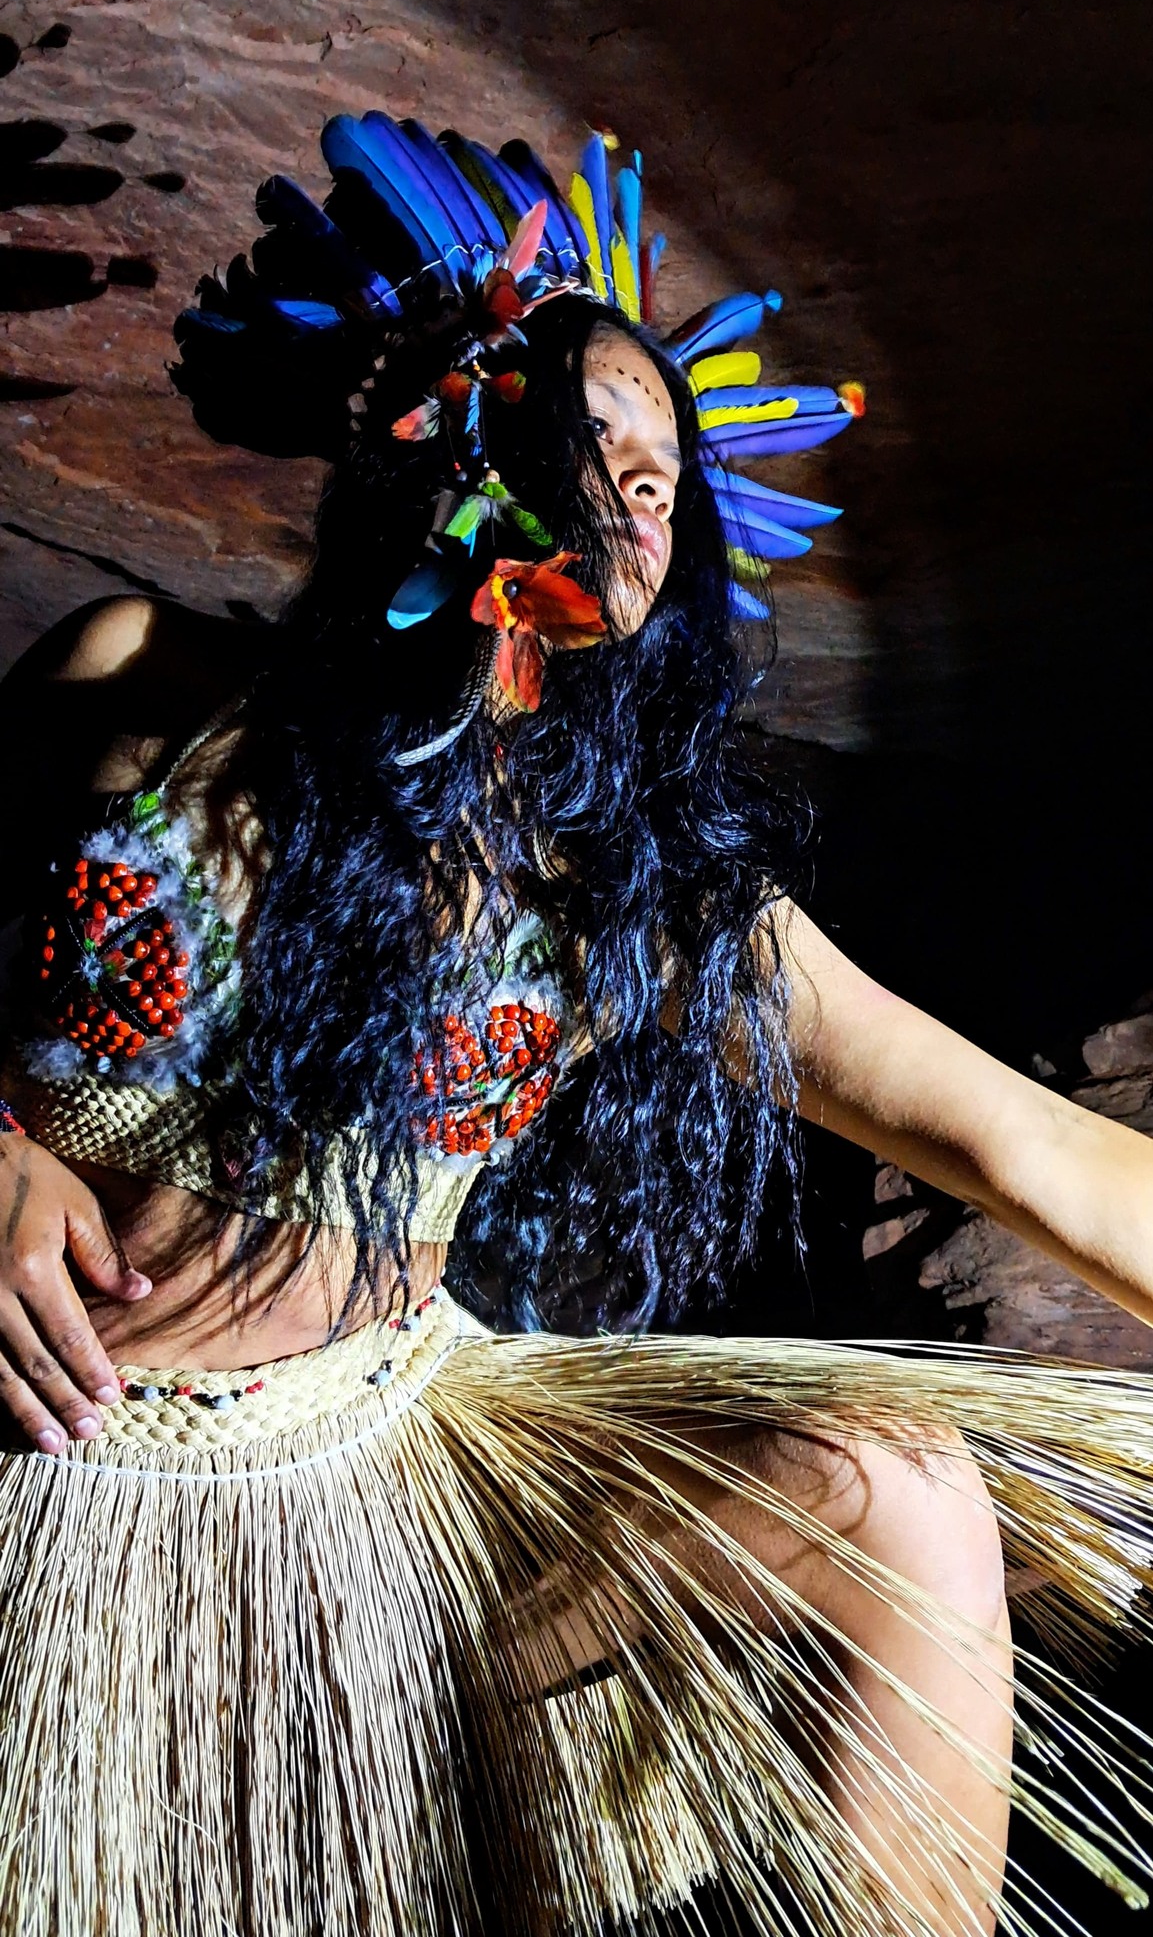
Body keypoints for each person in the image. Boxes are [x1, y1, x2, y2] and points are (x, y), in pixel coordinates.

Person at [0, 111, 1152, 1937]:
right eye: (586, 436)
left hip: (383, 1487)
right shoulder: (136, 685)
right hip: (61, 1493)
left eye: (661, 482)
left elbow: (1024, 1147)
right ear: (436, 423)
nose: (629, 497)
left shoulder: (635, 896)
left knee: (895, 1493)